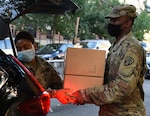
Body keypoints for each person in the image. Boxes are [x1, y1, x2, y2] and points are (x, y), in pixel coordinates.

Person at [69, 4, 147, 116]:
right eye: (110, 20)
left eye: (115, 20)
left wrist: (86, 94)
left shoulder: (131, 48)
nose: (111, 23)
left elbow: (122, 88)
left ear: (128, 23)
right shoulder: (116, 46)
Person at [6, 31, 72, 116]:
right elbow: (31, 93)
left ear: (34, 46)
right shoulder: (15, 68)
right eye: (19, 49)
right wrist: (54, 94)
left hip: (39, 111)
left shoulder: (44, 65)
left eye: (26, 47)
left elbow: (59, 84)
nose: (22, 51)